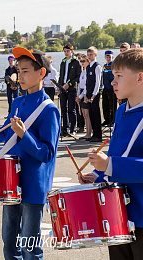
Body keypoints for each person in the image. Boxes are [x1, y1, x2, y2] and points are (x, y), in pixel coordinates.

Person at [0, 47, 61, 259]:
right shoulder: (18, 102)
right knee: (9, 242)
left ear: (41, 74)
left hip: (34, 184)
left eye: (25, 71)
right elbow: (5, 133)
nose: (20, 76)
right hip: (11, 182)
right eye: (18, 71)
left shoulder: (49, 109)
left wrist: (24, 135)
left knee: (30, 246)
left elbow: (47, 153)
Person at [80, 48, 143, 260]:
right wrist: (98, 175)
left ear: (140, 77)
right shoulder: (121, 110)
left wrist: (109, 165)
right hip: (117, 211)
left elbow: (117, 162)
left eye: (118, 76)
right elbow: (118, 154)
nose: (112, 82)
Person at [58, 44, 81, 137]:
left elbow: (78, 76)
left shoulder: (76, 62)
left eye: (68, 51)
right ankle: (65, 128)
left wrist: (69, 84)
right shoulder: (63, 62)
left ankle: (73, 128)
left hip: (71, 88)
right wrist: (59, 87)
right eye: (65, 51)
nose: (66, 53)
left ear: (72, 51)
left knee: (72, 109)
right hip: (63, 88)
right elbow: (61, 76)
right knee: (63, 109)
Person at [85, 46, 103, 142]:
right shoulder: (88, 67)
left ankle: (98, 135)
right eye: (88, 55)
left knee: (96, 114)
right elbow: (87, 81)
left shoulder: (97, 66)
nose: (89, 56)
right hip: (89, 93)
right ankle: (93, 134)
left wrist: (93, 95)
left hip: (94, 94)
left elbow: (97, 82)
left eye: (91, 54)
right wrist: (86, 94)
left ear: (95, 55)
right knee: (91, 114)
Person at [76, 54, 92, 139]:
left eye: (83, 61)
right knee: (84, 114)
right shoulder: (82, 71)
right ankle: (87, 132)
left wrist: (82, 96)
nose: (82, 63)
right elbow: (79, 85)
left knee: (87, 114)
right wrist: (78, 95)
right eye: (81, 61)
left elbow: (86, 85)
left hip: (85, 93)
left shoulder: (87, 72)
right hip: (81, 92)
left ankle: (89, 132)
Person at [102, 50, 116, 126]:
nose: (108, 58)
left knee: (112, 104)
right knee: (105, 104)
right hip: (105, 87)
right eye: (107, 57)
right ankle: (106, 119)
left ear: (112, 57)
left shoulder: (113, 65)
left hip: (111, 87)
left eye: (109, 57)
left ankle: (113, 119)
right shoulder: (104, 66)